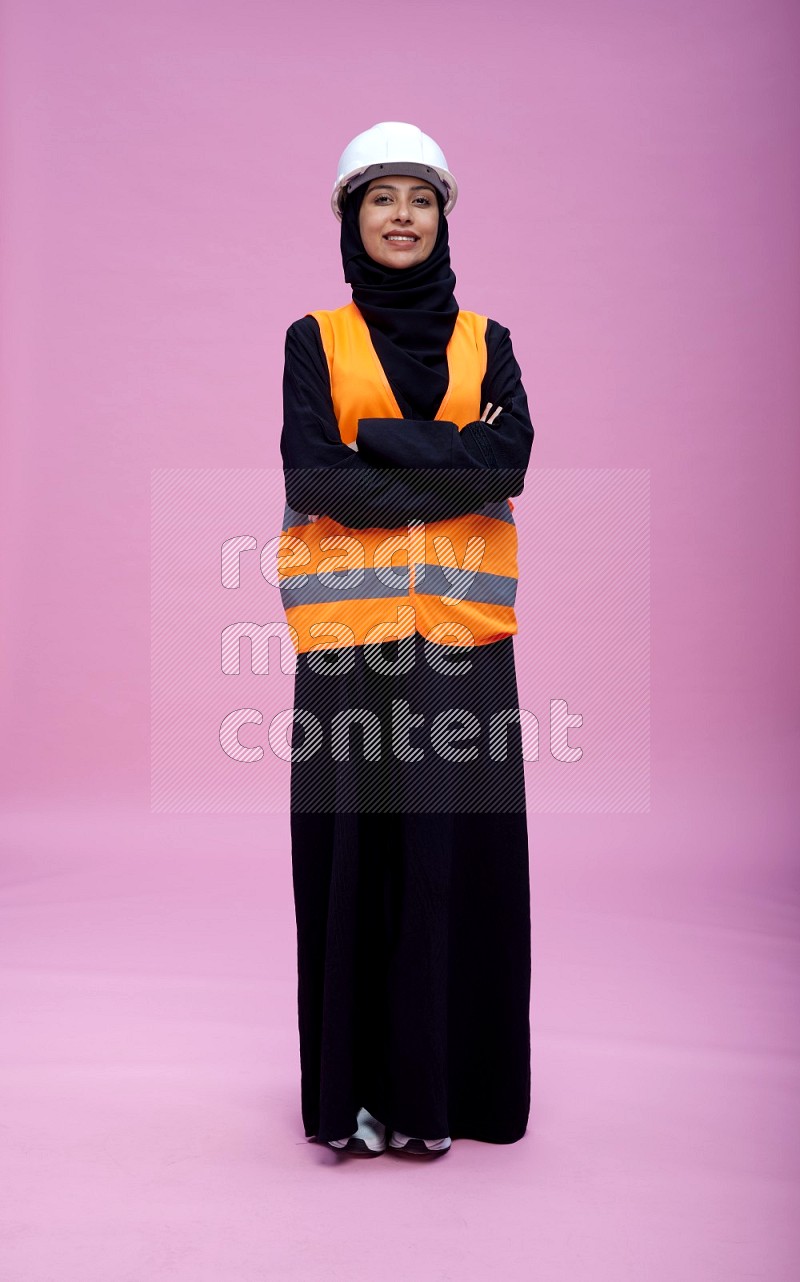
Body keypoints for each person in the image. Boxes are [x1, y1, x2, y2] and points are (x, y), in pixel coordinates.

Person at [278, 122, 535, 1158]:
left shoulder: (490, 342)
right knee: (354, 864)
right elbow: (314, 479)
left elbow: (506, 464)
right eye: (379, 198)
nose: (399, 216)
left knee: (451, 865)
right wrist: (446, 461)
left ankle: (444, 1100)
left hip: (464, 650)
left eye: (418, 199)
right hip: (349, 652)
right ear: (350, 217)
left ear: (441, 217)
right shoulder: (313, 340)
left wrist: (374, 445)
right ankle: (354, 1098)